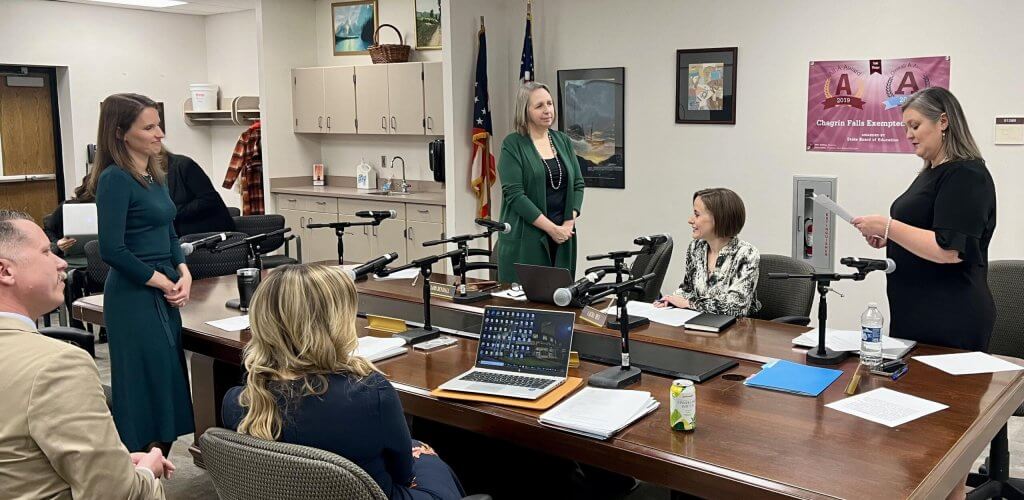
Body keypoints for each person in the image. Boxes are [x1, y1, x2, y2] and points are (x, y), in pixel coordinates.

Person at [221, 264, 465, 500]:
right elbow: (403, 473)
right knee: (428, 458)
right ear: (332, 323)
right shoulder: (370, 394)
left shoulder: (236, 403)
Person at [0, 210, 173, 499]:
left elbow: (20, 461)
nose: (61, 262)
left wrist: (113, 465)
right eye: (46, 252)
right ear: (5, 271)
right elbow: (116, 494)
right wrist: (146, 471)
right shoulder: (57, 366)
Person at [88, 93, 195, 454]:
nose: (159, 134)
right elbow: (111, 249)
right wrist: (160, 280)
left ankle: (157, 463)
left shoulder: (154, 174)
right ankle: (141, 466)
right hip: (135, 294)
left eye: (158, 125)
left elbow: (169, 232)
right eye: (149, 127)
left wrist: (183, 271)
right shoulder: (115, 179)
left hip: (163, 287)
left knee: (167, 377)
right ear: (120, 133)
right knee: (145, 385)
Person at [852, 86, 996, 353]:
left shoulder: (967, 175)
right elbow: (926, 227)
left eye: (915, 126)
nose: (909, 135)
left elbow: (949, 250)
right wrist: (890, 238)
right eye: (906, 127)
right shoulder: (930, 172)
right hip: (914, 309)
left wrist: (888, 226)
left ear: (943, 121)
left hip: (949, 314)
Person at [496, 81, 585, 283]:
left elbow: (578, 184)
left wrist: (568, 224)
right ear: (525, 111)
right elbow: (515, 195)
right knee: (528, 299)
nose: (547, 110)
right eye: (539, 106)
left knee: (560, 296)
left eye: (549, 103)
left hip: (563, 238)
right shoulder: (513, 144)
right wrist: (552, 229)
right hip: (527, 239)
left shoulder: (563, 140)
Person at [655, 188, 761, 316]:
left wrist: (690, 304)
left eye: (697, 214)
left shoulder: (746, 254)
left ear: (718, 218)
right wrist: (670, 299)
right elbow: (688, 290)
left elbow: (737, 307)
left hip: (736, 326)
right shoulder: (696, 248)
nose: (690, 220)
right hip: (699, 322)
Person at [165, 149, 236, 236]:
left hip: (209, 233)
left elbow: (209, 199)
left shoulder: (183, 165)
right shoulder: (151, 178)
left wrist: (173, 213)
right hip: (177, 233)